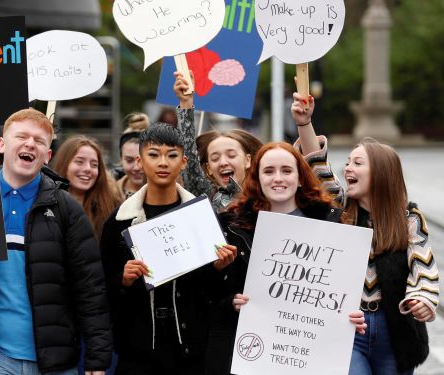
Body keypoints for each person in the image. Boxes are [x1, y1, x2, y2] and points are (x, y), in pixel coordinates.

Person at [0, 108, 112, 375]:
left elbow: (90, 289)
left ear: (48, 155)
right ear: (1, 144)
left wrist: (98, 359)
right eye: (21, 136)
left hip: (55, 361)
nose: (30, 144)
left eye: (39, 141)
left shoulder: (66, 209)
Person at [290, 93, 439, 374]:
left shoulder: (409, 217)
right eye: (348, 162)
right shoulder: (341, 207)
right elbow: (317, 169)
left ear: (382, 173)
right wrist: (304, 123)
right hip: (348, 326)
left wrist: (421, 299)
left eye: (358, 163)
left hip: (395, 331)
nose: (347, 168)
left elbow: (423, 265)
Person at [209, 142, 367, 374]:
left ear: (300, 177)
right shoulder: (230, 226)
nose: (278, 178)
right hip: (253, 354)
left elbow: (340, 293)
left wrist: (350, 317)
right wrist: (230, 301)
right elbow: (209, 296)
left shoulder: (330, 224)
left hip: (310, 354)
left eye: (286, 170)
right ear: (257, 178)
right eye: (269, 171)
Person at [99, 124, 236, 375]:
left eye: (172, 155)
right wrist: (124, 280)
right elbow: (101, 290)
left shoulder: (202, 218)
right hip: (137, 353)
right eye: (154, 154)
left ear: (183, 162)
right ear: (139, 161)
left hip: (190, 352)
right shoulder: (119, 223)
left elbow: (216, 294)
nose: (163, 162)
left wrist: (218, 269)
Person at [172, 72, 262, 212]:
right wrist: (185, 103)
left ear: (247, 160)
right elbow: (187, 154)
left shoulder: (266, 197)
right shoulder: (205, 198)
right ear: (208, 169)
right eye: (215, 158)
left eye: (231, 155)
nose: (223, 162)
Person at [51, 135, 121, 239]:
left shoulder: (111, 208)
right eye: (79, 162)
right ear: (64, 164)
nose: (88, 169)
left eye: (94, 165)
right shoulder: (46, 204)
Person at [116, 131, 145, 200]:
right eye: (129, 160)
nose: (136, 167)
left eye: (142, 160)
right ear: (121, 160)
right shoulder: (109, 194)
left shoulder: (170, 193)